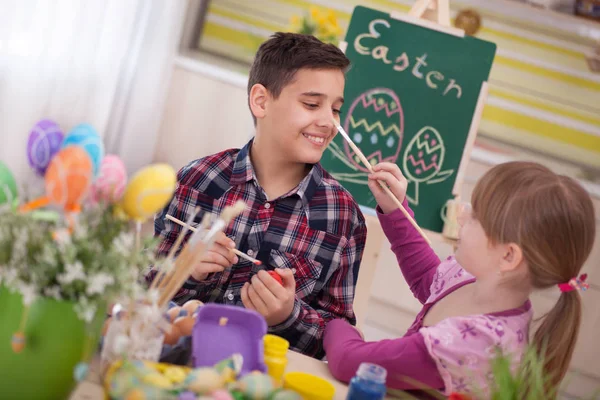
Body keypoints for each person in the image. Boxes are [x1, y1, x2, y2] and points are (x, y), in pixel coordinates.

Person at [147, 32, 367, 359]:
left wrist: (287, 315)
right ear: (261, 101)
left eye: (335, 109)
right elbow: (144, 291)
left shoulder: (343, 218)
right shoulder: (197, 180)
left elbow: (339, 340)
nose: (329, 122)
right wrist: (186, 270)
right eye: (311, 104)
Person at [324, 161, 595, 395]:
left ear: (509, 256)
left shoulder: (475, 344)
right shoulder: (483, 285)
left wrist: (334, 323)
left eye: (476, 215)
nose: (462, 214)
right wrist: (396, 209)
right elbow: (429, 279)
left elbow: (349, 362)